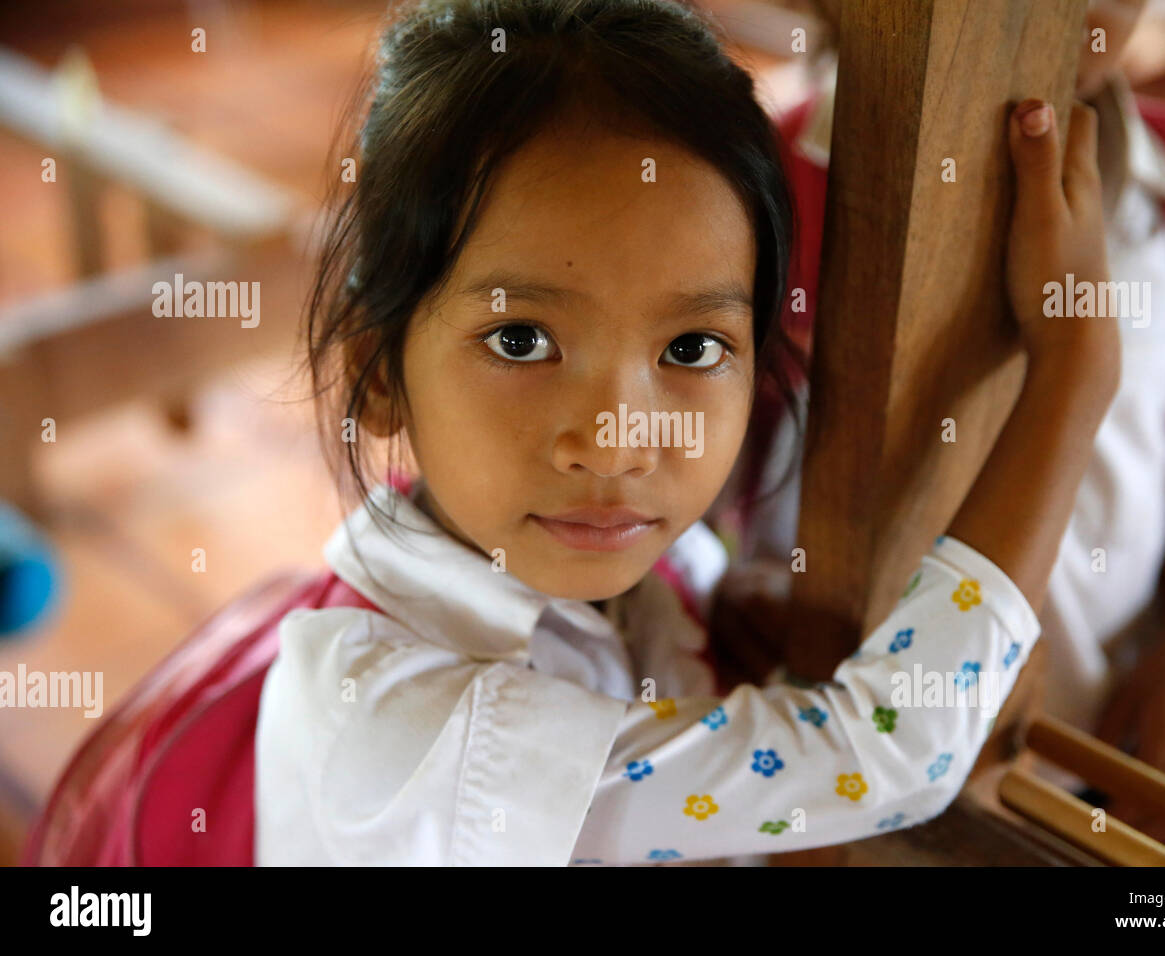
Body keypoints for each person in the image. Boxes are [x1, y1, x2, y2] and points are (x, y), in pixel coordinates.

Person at [254, 0, 1117, 865]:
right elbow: (887, 755)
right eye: (521, 340)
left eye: (692, 347)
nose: (619, 442)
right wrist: (1074, 375)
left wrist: (725, 626)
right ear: (380, 374)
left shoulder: (647, 564)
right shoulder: (414, 730)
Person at [711, 0, 1165, 848]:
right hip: (825, 740)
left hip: (1086, 739)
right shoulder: (766, 185)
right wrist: (732, 580)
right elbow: (698, 452)